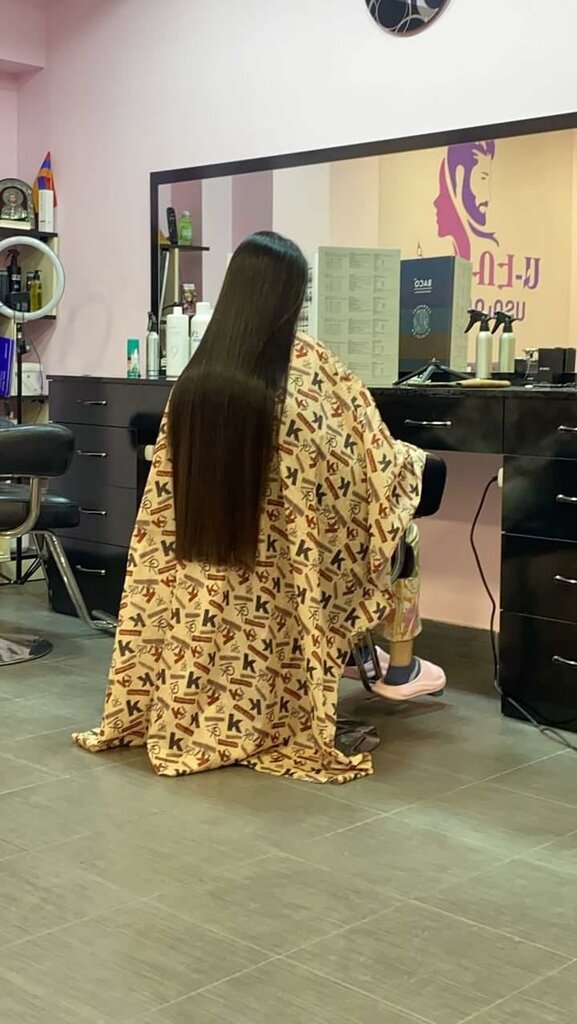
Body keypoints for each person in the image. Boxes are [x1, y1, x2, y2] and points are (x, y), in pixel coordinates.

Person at [73, 231, 445, 784]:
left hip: (204, 574)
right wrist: (413, 463)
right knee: (402, 531)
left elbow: (162, 503)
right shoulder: (306, 367)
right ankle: (400, 667)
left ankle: (352, 657)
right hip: (288, 575)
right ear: (291, 297)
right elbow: (362, 462)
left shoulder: (195, 379)